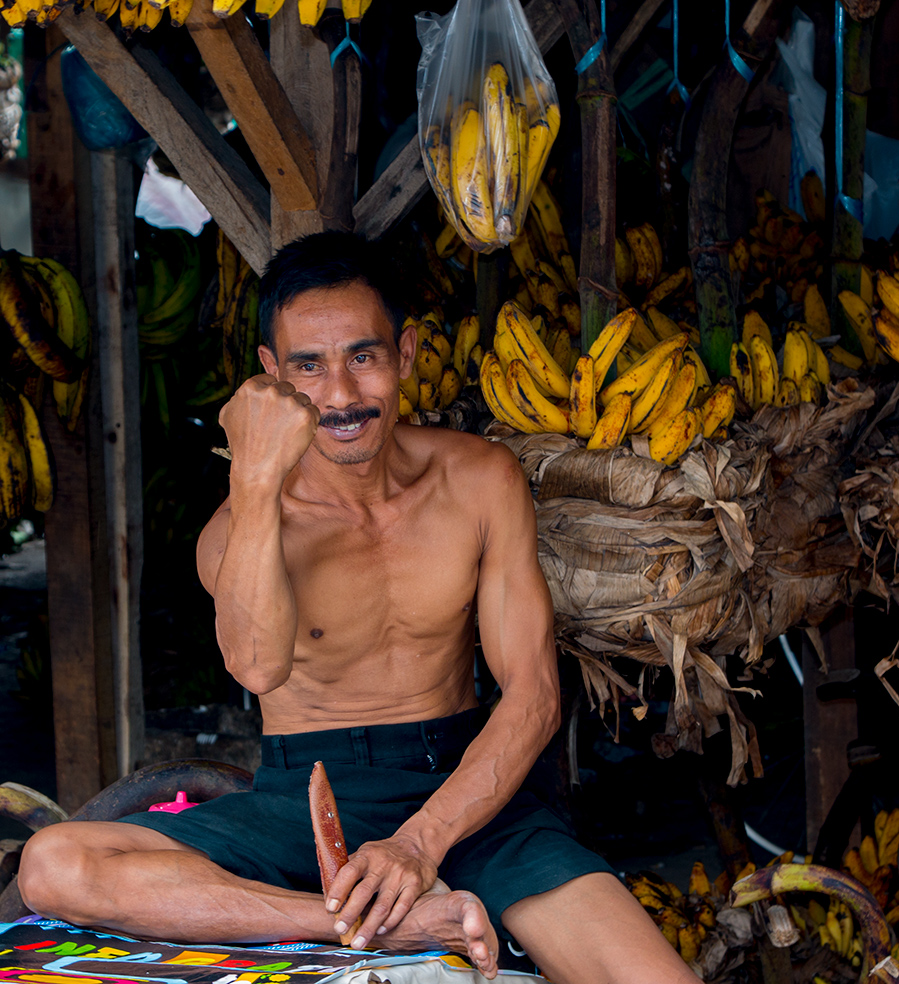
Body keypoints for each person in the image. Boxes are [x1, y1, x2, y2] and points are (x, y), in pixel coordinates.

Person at [19, 231, 702, 984]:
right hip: (299, 802)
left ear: (405, 355)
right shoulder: (236, 528)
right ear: (271, 378)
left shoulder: (480, 480)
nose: (341, 396)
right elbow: (254, 663)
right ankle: (377, 926)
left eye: (363, 356)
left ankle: (388, 903)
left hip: (469, 797)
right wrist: (253, 478)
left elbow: (534, 698)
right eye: (308, 366)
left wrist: (420, 842)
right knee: (55, 862)